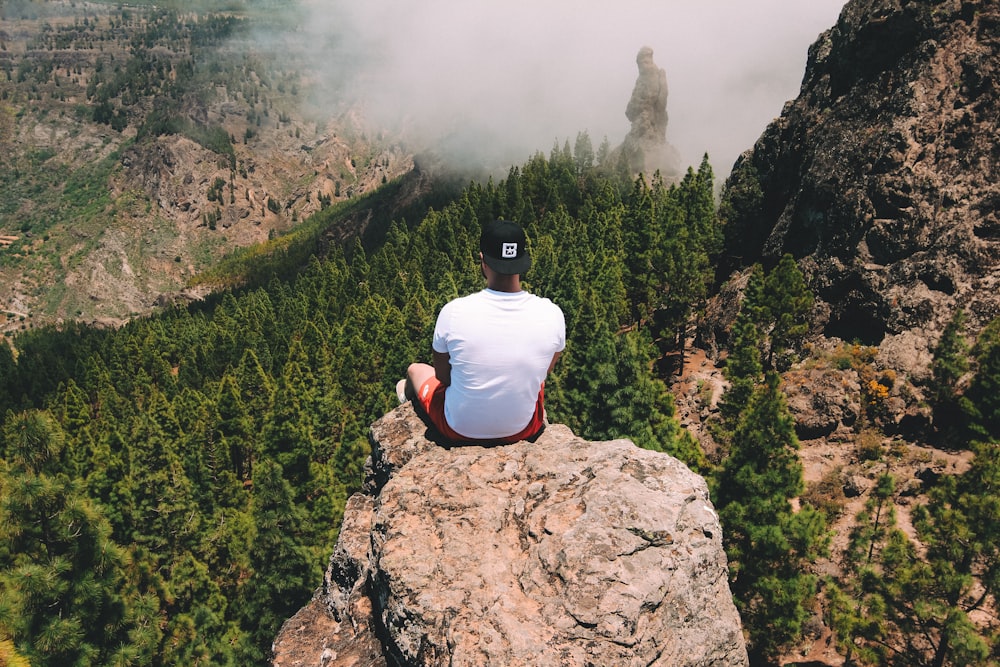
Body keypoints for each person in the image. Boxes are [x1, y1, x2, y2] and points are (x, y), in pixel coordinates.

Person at [401, 219, 565, 444]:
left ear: (482, 261)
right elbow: (543, 373)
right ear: (523, 262)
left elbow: (443, 377)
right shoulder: (552, 313)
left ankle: (406, 398)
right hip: (523, 429)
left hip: (458, 428)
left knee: (416, 369)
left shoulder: (454, 311)